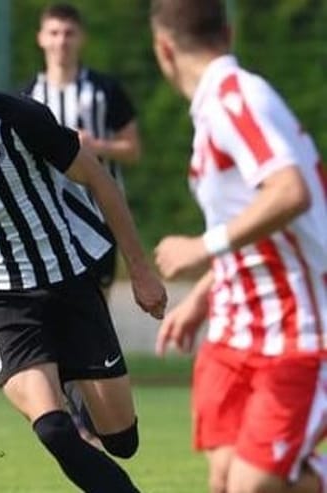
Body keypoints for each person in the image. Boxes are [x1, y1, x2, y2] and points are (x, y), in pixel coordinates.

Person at [0, 22, 167, 492]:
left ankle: (67, 376)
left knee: (122, 440)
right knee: (55, 430)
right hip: (0, 298)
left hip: (68, 281)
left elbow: (100, 182)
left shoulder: (24, 120)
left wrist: (141, 273)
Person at [150, 1, 327, 492]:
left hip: (300, 326)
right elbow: (255, 225)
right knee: (225, 482)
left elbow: (290, 192)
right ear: (227, 32)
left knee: (253, 487)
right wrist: (205, 293)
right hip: (236, 328)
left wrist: (202, 248)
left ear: (163, 49)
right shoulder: (213, 109)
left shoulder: (235, 97)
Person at [24, 2, 143, 444]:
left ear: (81, 39)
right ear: (41, 39)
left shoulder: (103, 91)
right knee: (52, 317)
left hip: (98, 224)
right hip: (49, 227)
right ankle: (72, 416)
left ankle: (90, 414)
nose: (60, 42)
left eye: (68, 33)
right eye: (53, 33)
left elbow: (132, 149)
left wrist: (97, 147)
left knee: (89, 315)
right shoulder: (28, 98)